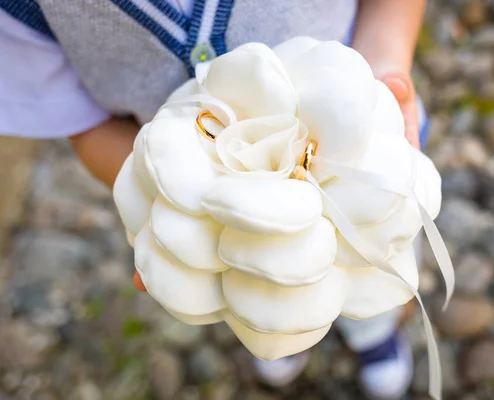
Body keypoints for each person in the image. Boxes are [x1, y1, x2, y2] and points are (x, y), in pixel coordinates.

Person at [0, 1, 428, 398]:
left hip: (362, 154)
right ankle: (280, 336)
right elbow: (82, 123)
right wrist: (160, 208)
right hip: (213, 217)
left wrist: (387, 61)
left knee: (373, 263)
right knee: (258, 298)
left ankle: (374, 333)